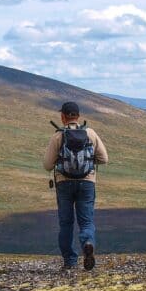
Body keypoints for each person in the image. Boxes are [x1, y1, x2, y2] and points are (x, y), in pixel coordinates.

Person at [43, 101, 109, 270]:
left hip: (64, 183)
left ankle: (70, 261)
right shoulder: (90, 133)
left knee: (66, 223)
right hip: (87, 182)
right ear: (78, 116)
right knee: (86, 221)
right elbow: (104, 159)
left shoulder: (58, 136)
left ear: (63, 116)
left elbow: (47, 165)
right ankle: (88, 243)